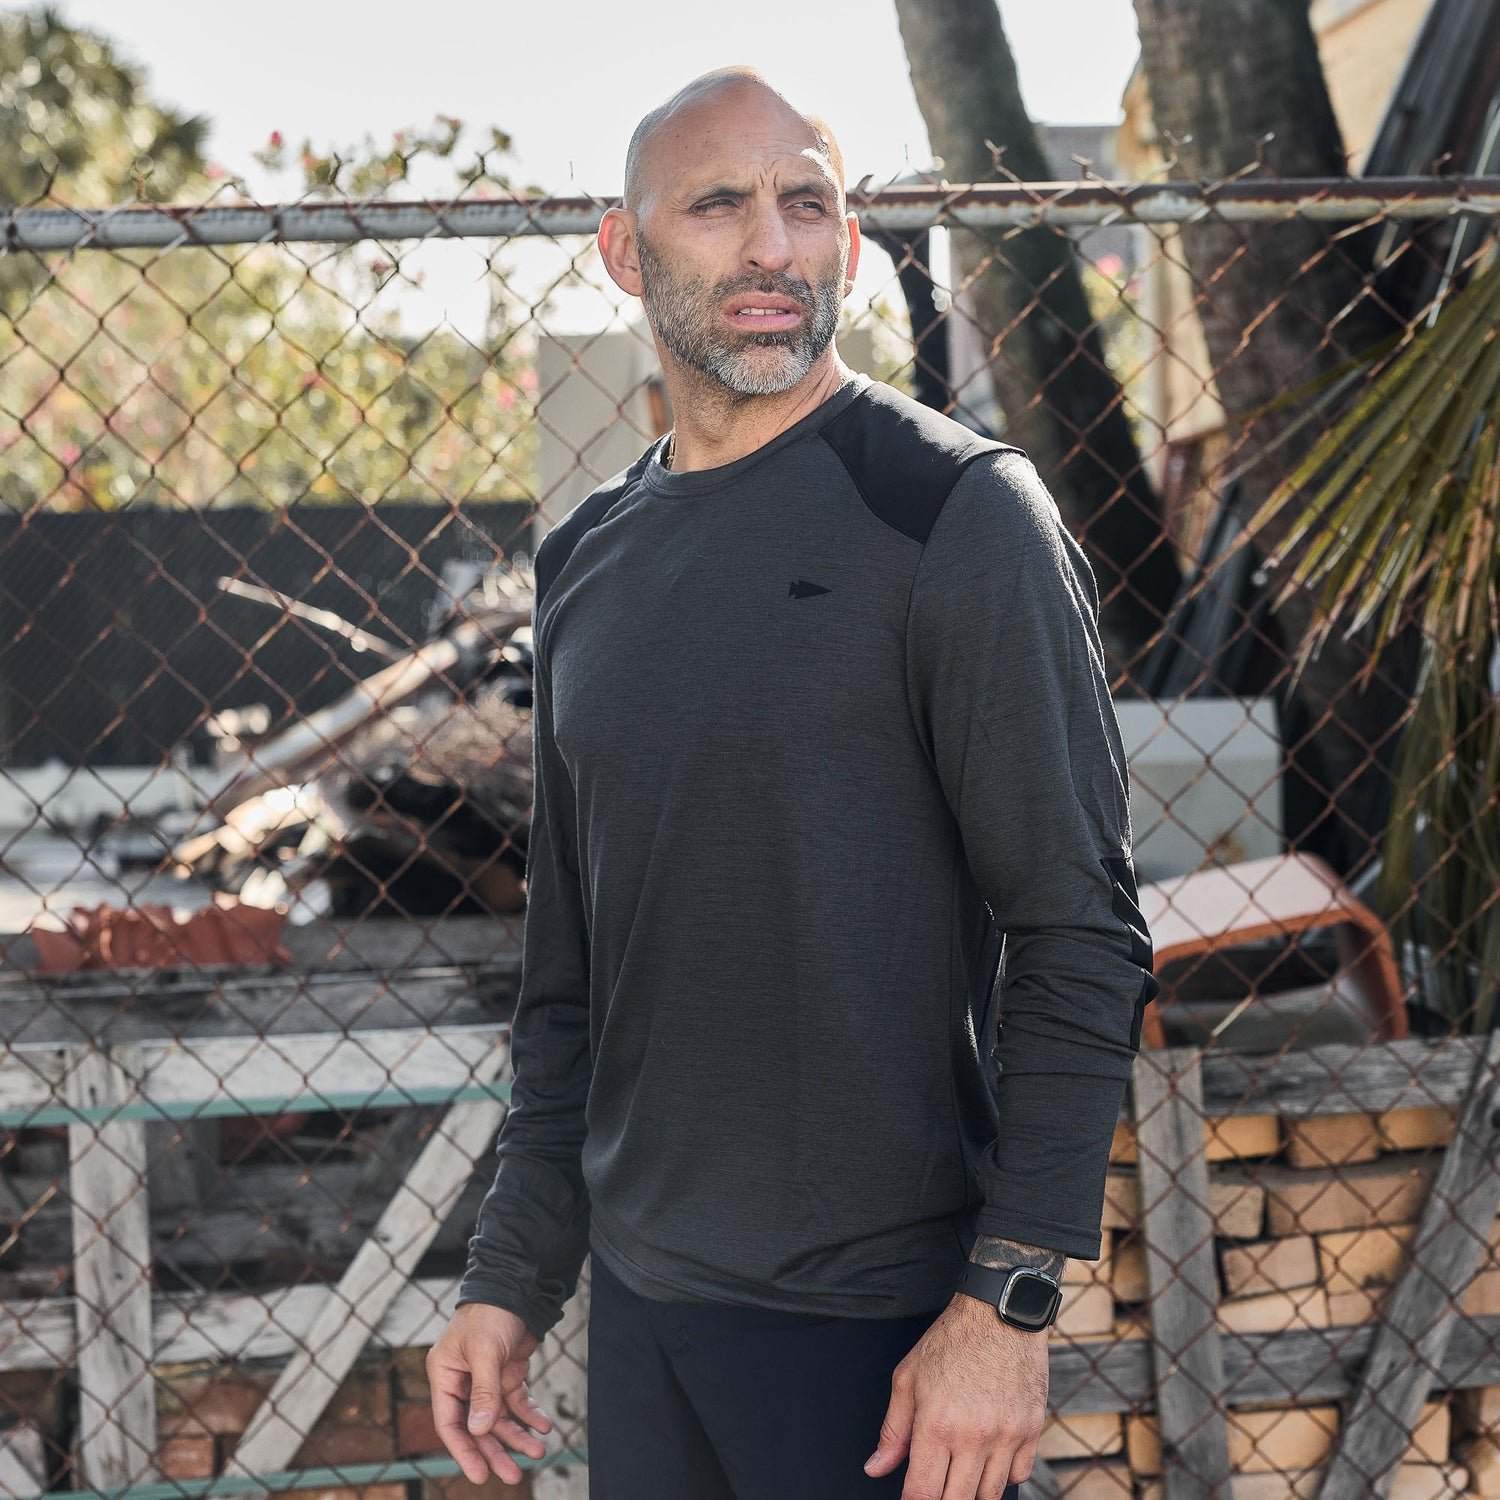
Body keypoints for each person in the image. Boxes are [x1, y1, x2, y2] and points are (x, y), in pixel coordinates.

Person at [427, 67, 1157, 1500]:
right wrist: (510, 1273)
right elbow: (573, 978)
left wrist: (1007, 1304)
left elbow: (1082, 935)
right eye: (720, 205)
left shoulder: (954, 514)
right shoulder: (583, 559)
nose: (772, 245)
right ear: (625, 251)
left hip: (883, 1341)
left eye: (807, 202)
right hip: (644, 1315)